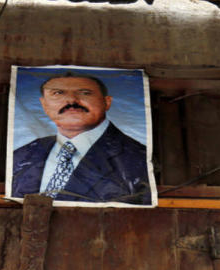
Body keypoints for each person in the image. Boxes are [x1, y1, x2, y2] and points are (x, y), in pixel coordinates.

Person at [11, 71, 153, 205]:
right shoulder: (23, 154)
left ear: (107, 102)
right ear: (44, 104)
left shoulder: (138, 159)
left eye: (85, 93)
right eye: (58, 93)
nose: (72, 100)